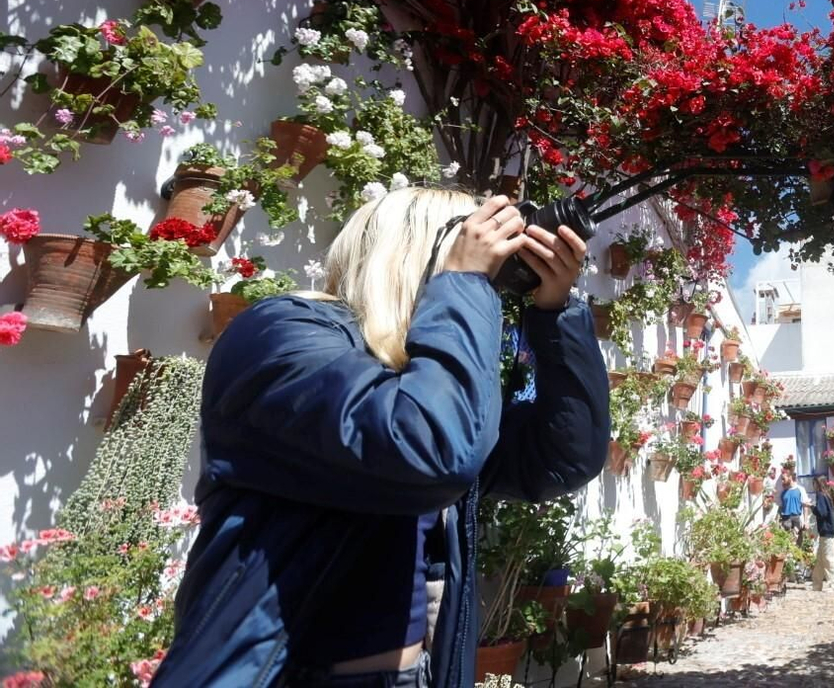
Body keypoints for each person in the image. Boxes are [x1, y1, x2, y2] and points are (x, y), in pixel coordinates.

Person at [155, 190, 607, 688]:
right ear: (417, 251)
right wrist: (462, 283)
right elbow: (431, 452)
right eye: (472, 245)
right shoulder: (280, 334)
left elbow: (560, 459)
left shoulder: (421, 377)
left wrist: (554, 314)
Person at [811, 474, 834, 592]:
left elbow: (821, 512)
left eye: (814, 483)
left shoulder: (821, 495)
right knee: (820, 560)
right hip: (826, 531)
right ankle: (817, 585)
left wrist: (811, 507)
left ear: (818, 484)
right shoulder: (826, 495)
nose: (813, 486)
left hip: (826, 531)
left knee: (828, 559)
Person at [779, 470, 807, 535]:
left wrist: (806, 521)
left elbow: (805, 506)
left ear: (790, 477)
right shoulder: (783, 492)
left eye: (783, 479)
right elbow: (781, 506)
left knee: (797, 539)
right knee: (786, 539)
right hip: (785, 519)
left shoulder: (800, 489)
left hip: (796, 518)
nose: (782, 481)